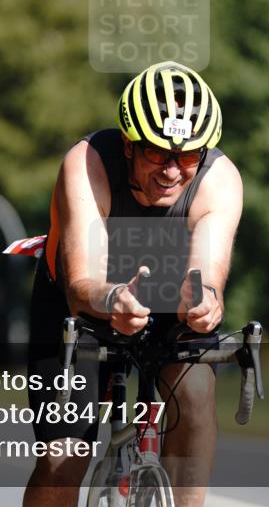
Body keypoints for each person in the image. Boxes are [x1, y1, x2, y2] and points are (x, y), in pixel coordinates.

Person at [23, 61, 243, 507]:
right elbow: (83, 282)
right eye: (158, 154)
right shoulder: (88, 164)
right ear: (128, 145)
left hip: (166, 299)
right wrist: (113, 299)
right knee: (63, 457)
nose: (172, 171)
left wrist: (203, 302)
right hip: (79, 303)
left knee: (196, 395)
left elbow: (208, 272)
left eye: (186, 157)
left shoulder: (219, 180)